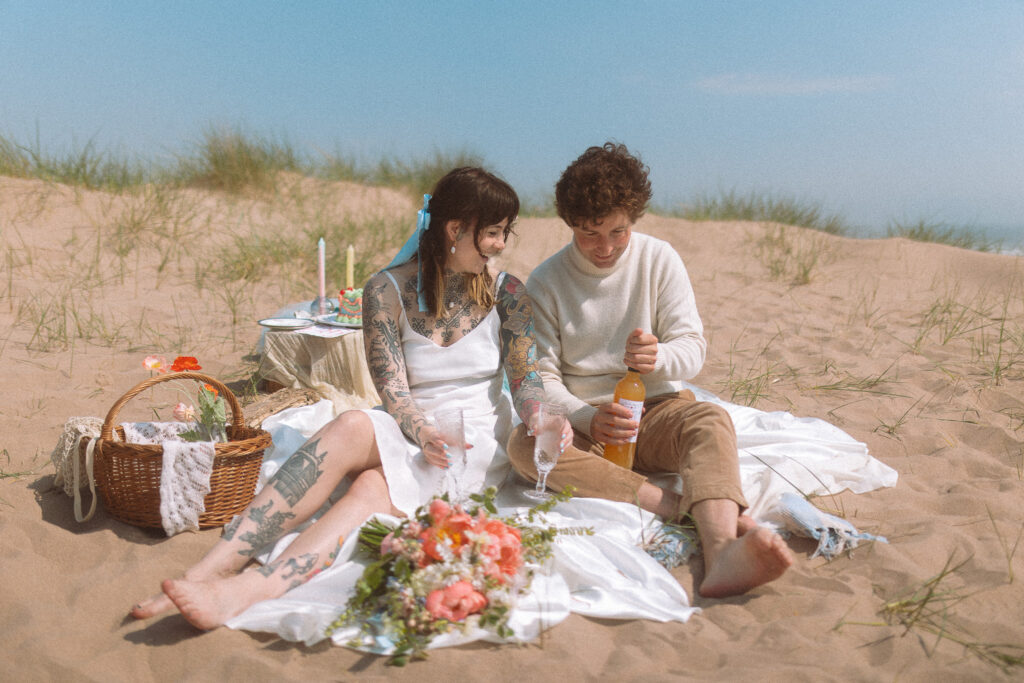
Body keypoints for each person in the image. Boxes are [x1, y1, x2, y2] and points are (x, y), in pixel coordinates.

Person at [131, 167, 568, 630]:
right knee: (351, 424)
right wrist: (418, 427)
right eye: (494, 233)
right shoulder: (387, 289)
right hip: (411, 420)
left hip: (472, 433)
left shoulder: (508, 293)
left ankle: (247, 590)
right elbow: (391, 389)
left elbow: (525, 379)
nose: (502, 244)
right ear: (456, 229)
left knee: (370, 488)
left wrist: (541, 419)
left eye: (504, 233)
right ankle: (207, 569)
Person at [506, 143, 794, 598]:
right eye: (589, 234)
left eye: (618, 233)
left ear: (634, 218)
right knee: (525, 444)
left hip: (656, 410)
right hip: (590, 421)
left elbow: (693, 348)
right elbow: (542, 381)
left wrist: (659, 356)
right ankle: (679, 506)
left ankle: (721, 554)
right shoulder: (545, 282)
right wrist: (585, 418)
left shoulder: (659, 259)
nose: (605, 248)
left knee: (710, 420)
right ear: (570, 224)